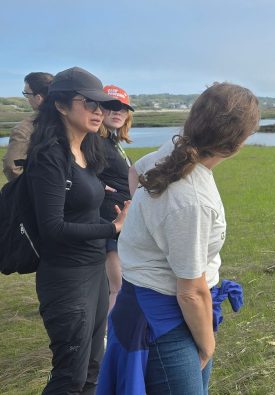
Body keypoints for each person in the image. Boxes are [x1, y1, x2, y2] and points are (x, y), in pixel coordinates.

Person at [99, 82, 259, 394]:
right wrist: (208, 345)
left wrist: (146, 219)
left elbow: (137, 171)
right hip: (162, 318)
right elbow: (191, 292)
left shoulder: (173, 153)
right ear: (235, 144)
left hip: (158, 306)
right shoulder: (192, 200)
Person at [25, 66, 129, 394]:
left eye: (102, 104)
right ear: (61, 106)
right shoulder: (49, 156)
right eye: (88, 103)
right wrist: (111, 227)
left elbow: (79, 208)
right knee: (69, 376)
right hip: (66, 280)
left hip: (93, 270)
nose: (99, 111)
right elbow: (52, 227)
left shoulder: (86, 151)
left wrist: (104, 199)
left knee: (91, 370)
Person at [97, 84, 135, 312]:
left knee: (119, 285)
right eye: (111, 106)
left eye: (122, 108)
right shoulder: (94, 141)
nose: (117, 112)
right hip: (110, 220)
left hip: (121, 220)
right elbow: (76, 171)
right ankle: (111, 339)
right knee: (117, 286)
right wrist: (98, 184)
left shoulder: (111, 142)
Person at [3, 72, 53, 181]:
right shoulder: (69, 120)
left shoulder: (24, 129)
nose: (27, 98)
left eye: (27, 94)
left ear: (38, 98)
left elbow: (12, 166)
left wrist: (29, 190)